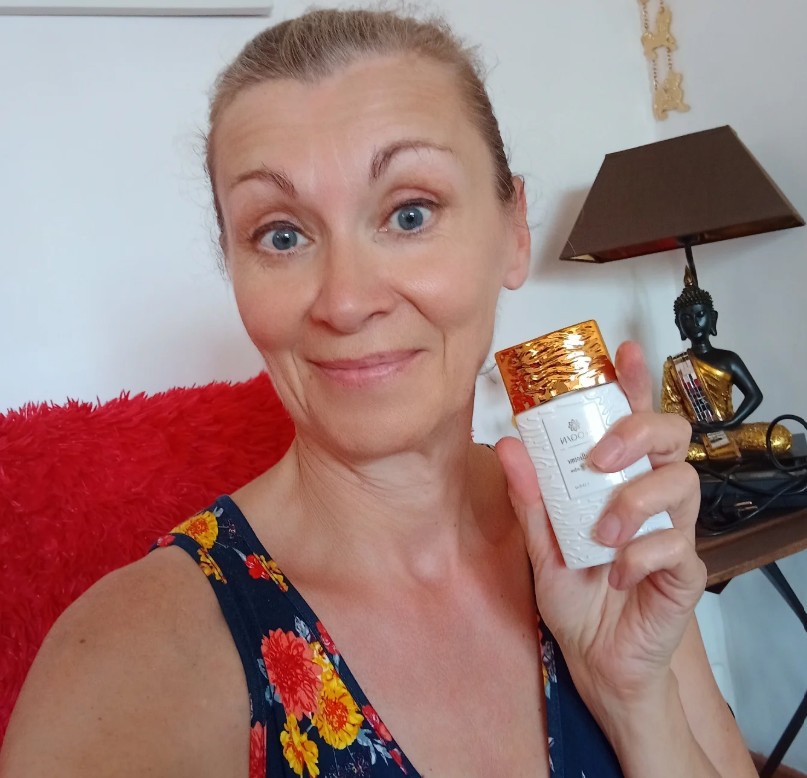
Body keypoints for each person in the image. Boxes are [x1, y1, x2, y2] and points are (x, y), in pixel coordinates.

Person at [0, 8, 759, 777]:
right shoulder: (136, 654)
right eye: (281, 235)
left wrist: (636, 701)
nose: (346, 301)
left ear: (513, 231)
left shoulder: (601, 537)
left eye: (408, 213)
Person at [661, 267, 791, 461]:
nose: (694, 323)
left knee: (780, 437)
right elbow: (670, 411)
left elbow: (754, 395)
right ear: (678, 325)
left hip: (731, 428)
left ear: (712, 318)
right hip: (697, 435)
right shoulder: (674, 366)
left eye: (700, 315)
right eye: (686, 318)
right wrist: (693, 430)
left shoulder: (728, 358)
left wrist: (731, 423)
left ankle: (713, 450)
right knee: (676, 450)